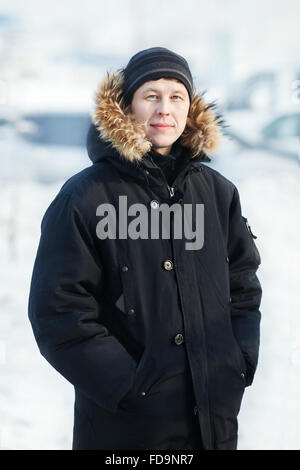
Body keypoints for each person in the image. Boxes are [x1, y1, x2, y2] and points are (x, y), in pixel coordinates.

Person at [28, 47, 262, 450]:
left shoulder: (218, 193)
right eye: (151, 95)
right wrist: (127, 386)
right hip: (127, 428)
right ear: (127, 105)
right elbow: (59, 309)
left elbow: (242, 285)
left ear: (191, 109)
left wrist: (237, 363)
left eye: (176, 97)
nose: (164, 109)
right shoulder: (86, 197)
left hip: (212, 420)